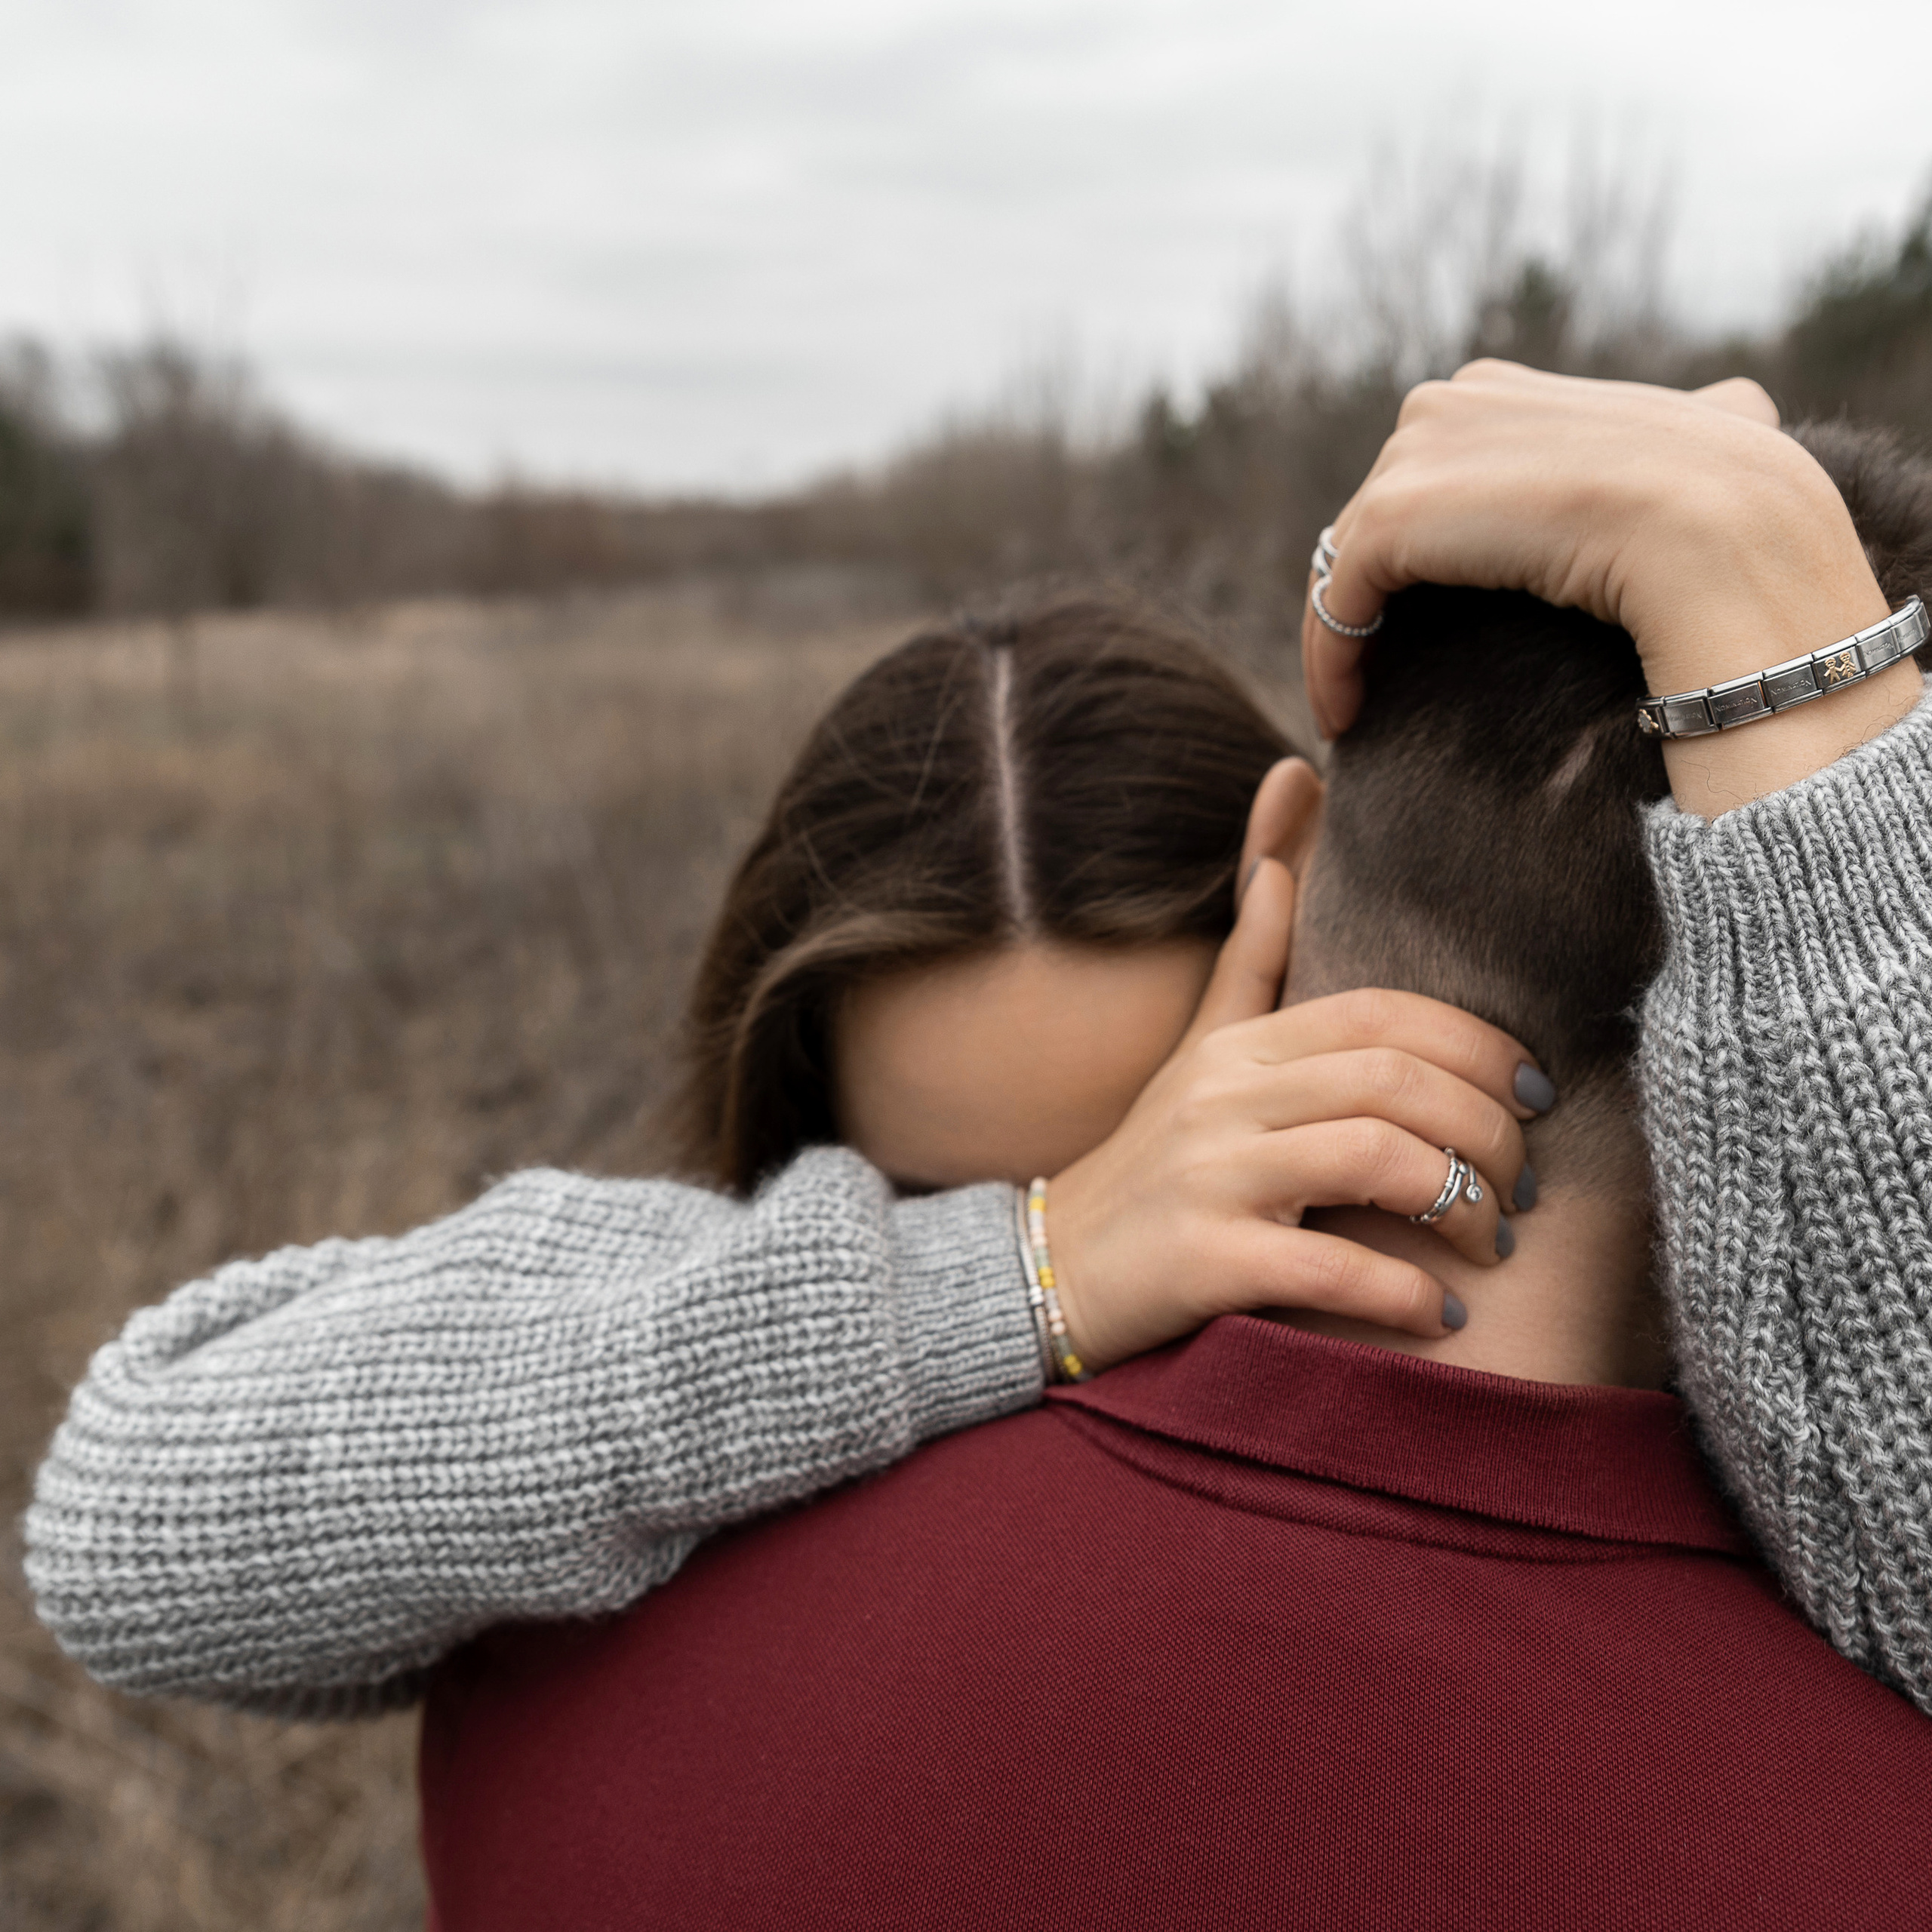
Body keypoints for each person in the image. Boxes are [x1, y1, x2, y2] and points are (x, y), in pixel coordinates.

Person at [23, 368, 1932, 1728]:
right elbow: (127, 1518)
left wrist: (1804, 751)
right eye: (945, 1190)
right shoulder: (734, 1389)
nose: (1141, 1279)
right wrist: (1018, 1272)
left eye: (1176, 1136)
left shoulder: (1683, 1292)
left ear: (1308, 934)